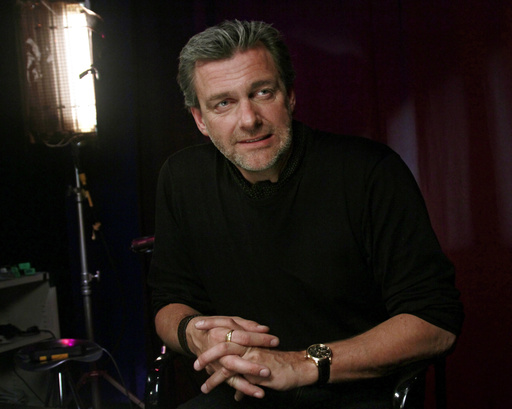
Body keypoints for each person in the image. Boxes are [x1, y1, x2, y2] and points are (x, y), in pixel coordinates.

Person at [148, 20, 463, 408]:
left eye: (262, 92)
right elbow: (169, 300)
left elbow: (436, 323)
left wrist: (300, 364)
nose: (248, 119)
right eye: (223, 103)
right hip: (243, 394)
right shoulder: (181, 178)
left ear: (290, 95)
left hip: (353, 393)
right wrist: (194, 334)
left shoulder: (370, 172)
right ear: (200, 119)